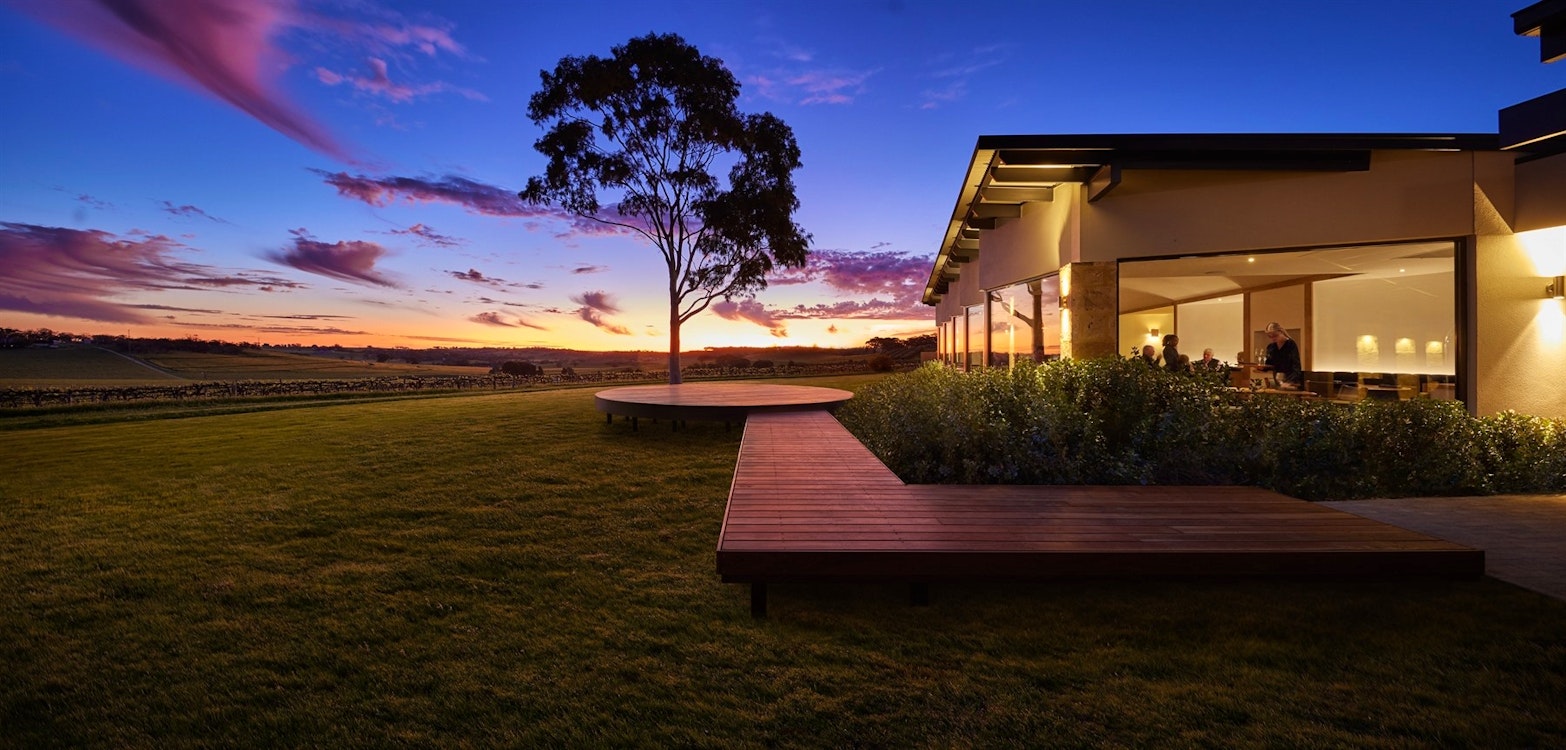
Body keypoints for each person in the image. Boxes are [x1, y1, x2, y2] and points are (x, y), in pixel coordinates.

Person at [1260, 322, 1302, 388]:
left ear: (1281, 332)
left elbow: (1296, 367)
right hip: (1277, 380)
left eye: (1275, 336)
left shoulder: (1290, 344)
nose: (1273, 339)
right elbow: (1269, 365)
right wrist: (1260, 368)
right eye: (1270, 336)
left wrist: (1289, 382)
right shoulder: (1272, 347)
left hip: (1290, 382)